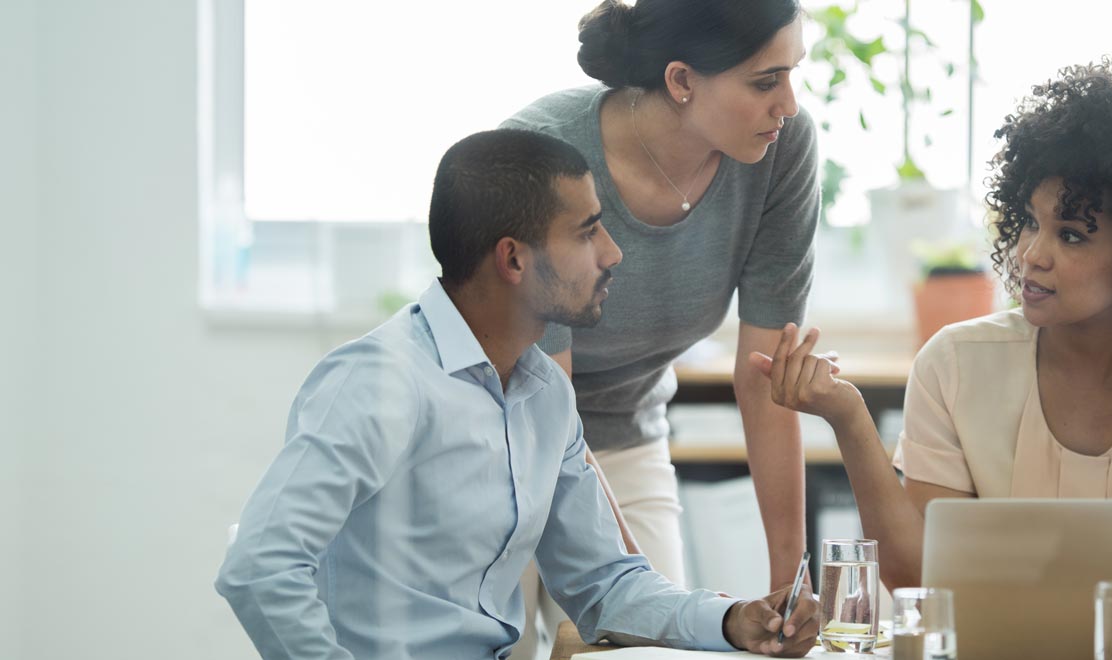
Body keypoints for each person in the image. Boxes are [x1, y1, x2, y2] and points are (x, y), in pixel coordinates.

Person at [215, 128, 818, 659]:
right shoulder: (377, 381)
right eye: (586, 233)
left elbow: (604, 583)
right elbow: (259, 565)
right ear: (512, 259)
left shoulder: (545, 395)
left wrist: (733, 619)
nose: (612, 253)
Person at [750, 60, 1112, 589]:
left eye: (1071, 235)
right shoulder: (955, 363)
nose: (1031, 254)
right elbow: (916, 577)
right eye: (1030, 223)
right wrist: (849, 417)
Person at [500, 0, 818, 592]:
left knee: (652, 650)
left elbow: (764, 378)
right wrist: (641, 590)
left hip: (627, 435)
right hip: (499, 440)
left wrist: (789, 585)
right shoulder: (542, 156)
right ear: (681, 81)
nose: (789, 104)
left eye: (793, 73)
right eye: (765, 82)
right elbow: (547, 403)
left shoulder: (782, 149)